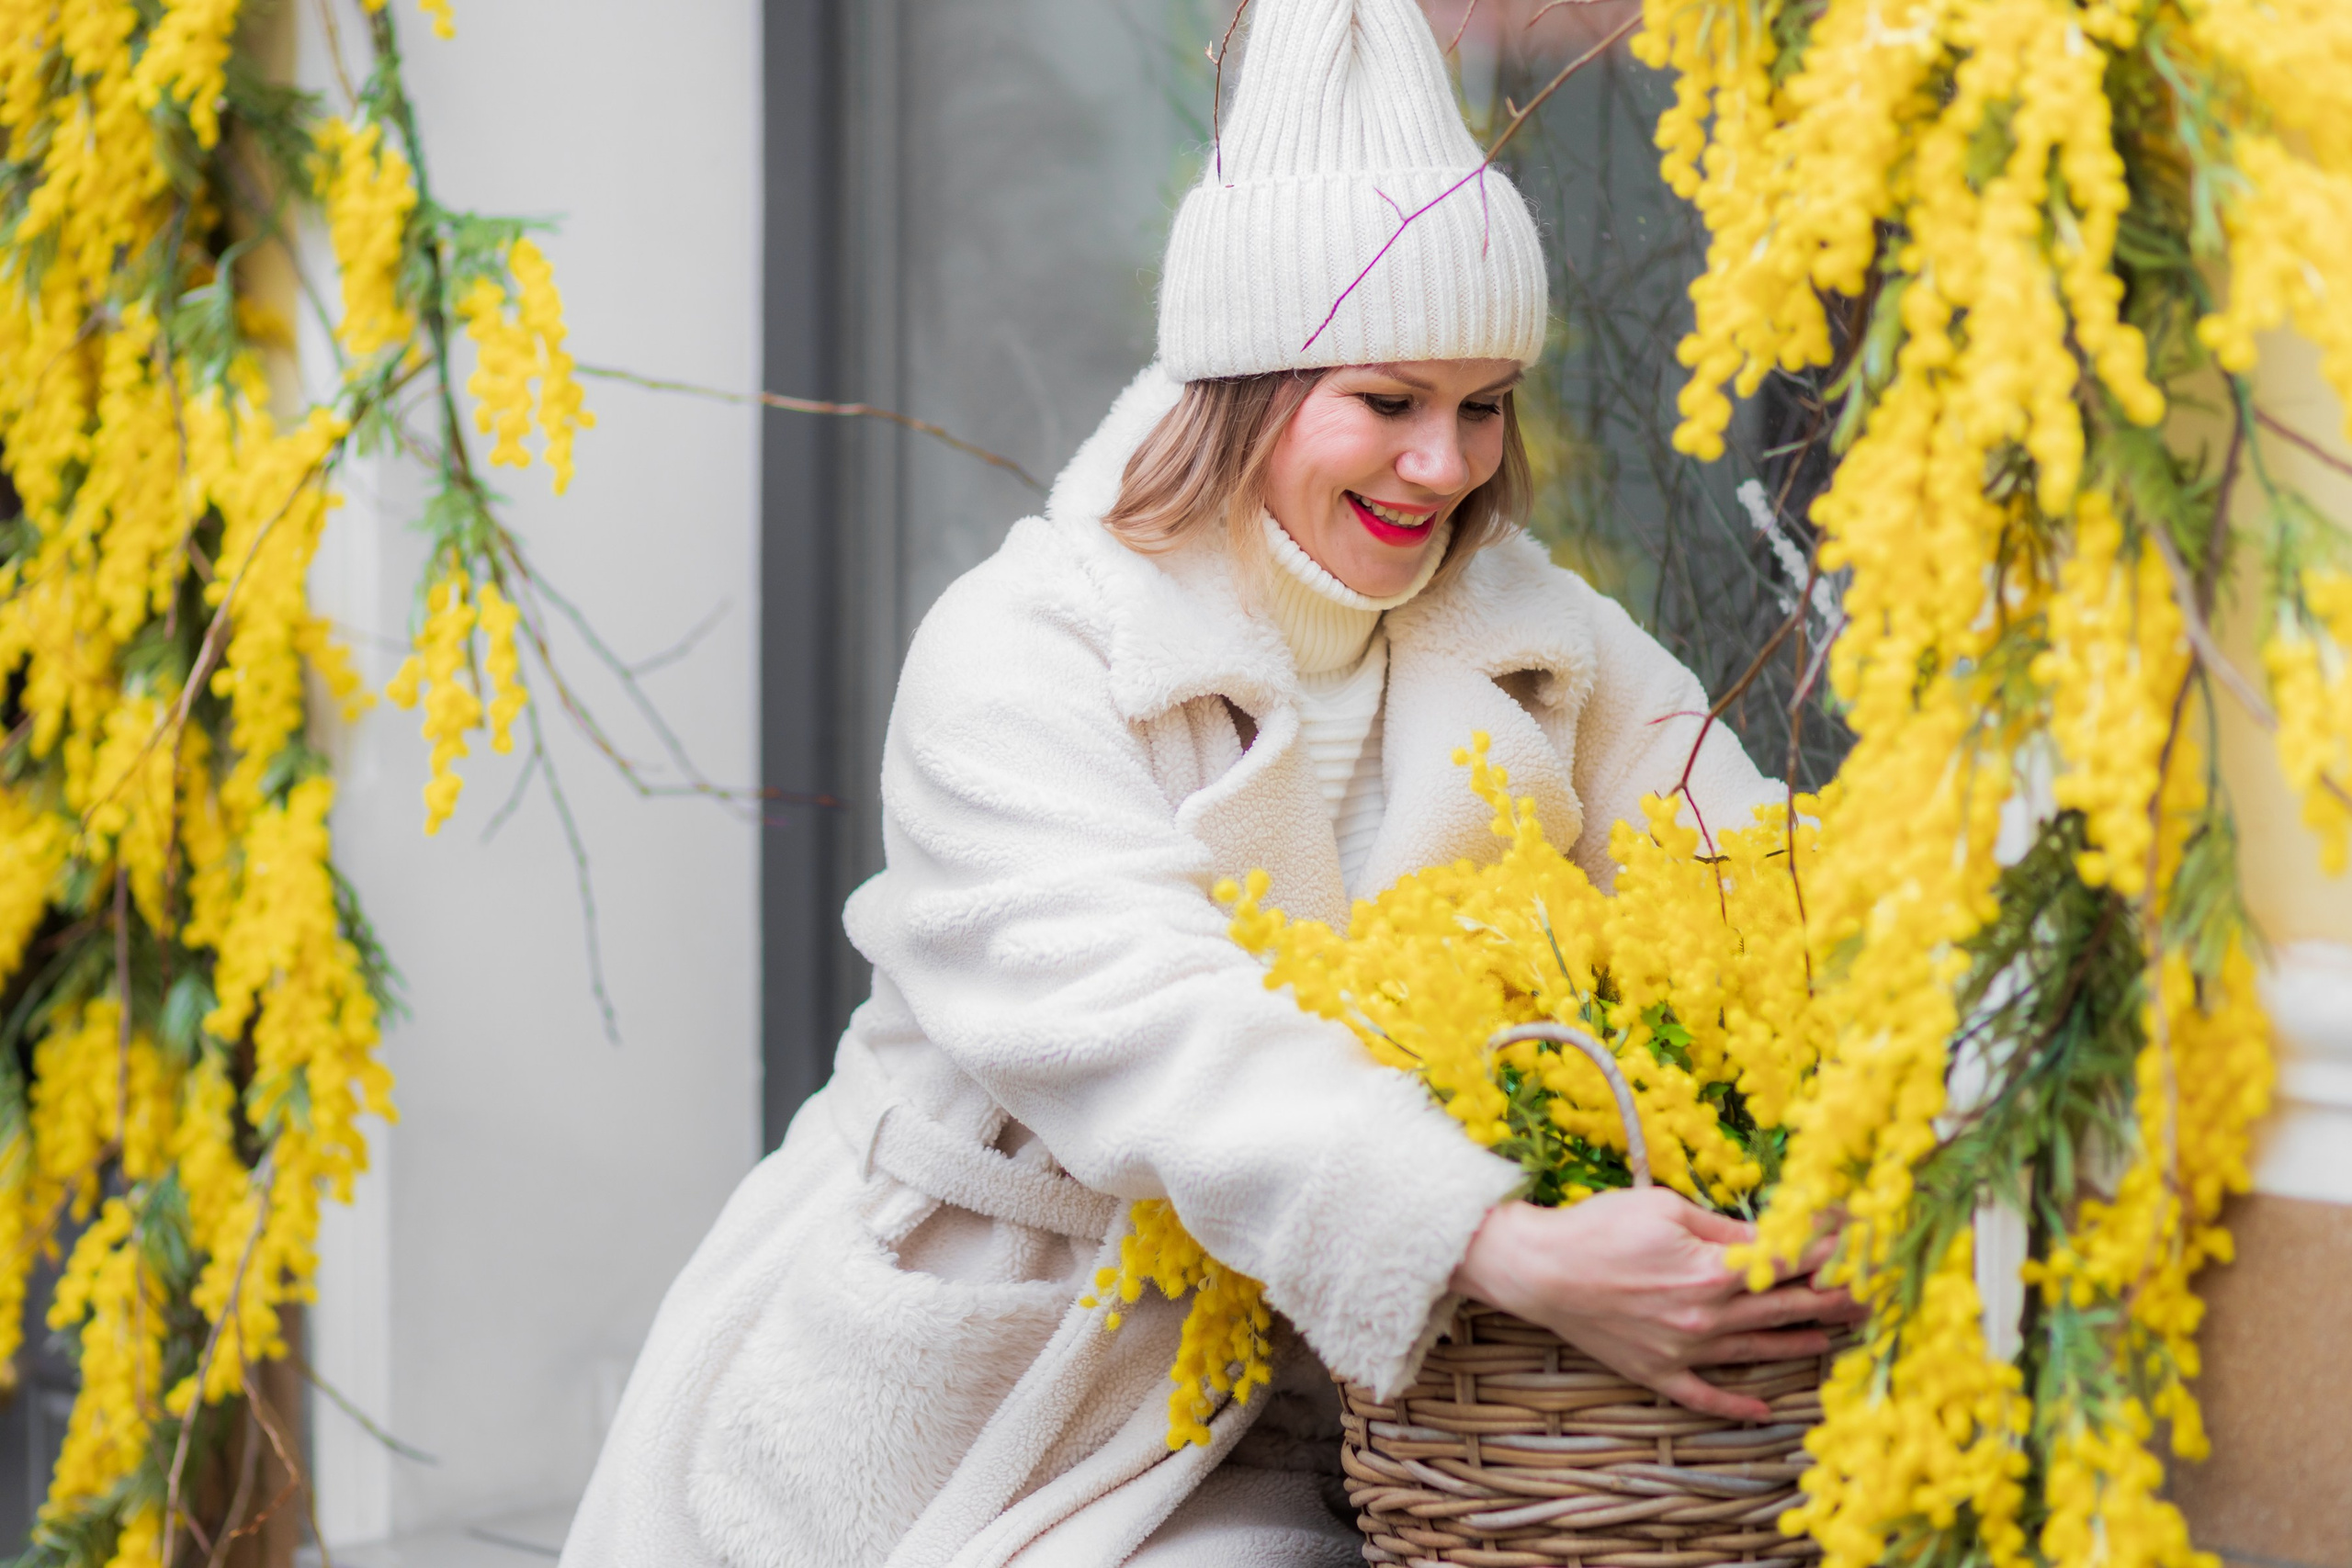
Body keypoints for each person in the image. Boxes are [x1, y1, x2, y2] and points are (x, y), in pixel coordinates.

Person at [562, 1, 1855, 1563]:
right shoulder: (1027, 650)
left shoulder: (1543, 644)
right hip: (985, 1389)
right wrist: (1497, 1242)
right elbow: (1156, 1034)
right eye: (1386, 401)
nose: (1442, 466)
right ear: (1247, 381)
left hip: (1337, 1407)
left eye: (1481, 405)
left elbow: (1752, 872)